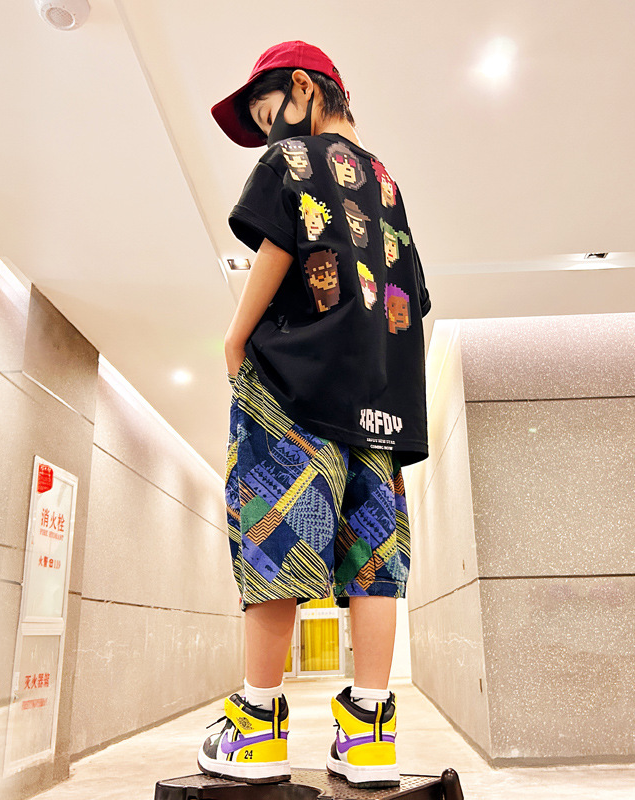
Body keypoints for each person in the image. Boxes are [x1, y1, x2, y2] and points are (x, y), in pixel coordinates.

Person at [197, 40, 431, 789]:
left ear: (304, 86)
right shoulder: (387, 184)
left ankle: (255, 728)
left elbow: (278, 245)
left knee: (276, 542)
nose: (272, 132)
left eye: (271, 113)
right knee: (374, 561)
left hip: (293, 389)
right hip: (378, 406)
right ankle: (369, 734)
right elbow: (413, 299)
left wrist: (235, 339)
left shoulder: (294, 159)